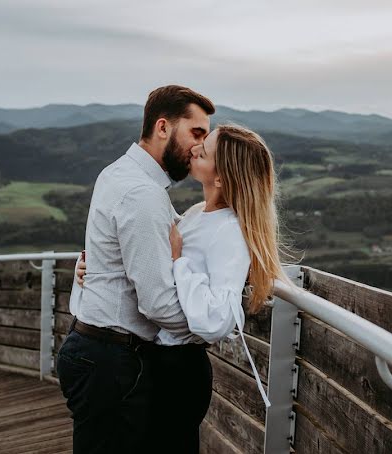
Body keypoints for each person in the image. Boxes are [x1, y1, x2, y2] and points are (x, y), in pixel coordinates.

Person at [74, 123, 290, 452]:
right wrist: (97, 268)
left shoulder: (230, 233)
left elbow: (216, 320)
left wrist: (180, 263)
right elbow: (146, 243)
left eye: (203, 151)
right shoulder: (196, 213)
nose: (194, 149)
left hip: (179, 371)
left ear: (220, 177)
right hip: (156, 361)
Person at [57, 85, 215, 454]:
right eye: (196, 132)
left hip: (96, 351)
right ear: (163, 127)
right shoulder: (142, 194)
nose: (200, 145)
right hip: (110, 361)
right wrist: (210, 326)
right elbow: (158, 304)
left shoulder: (118, 173)